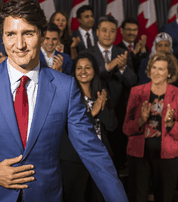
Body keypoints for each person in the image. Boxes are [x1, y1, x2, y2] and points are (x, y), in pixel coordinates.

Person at [0, 0, 128, 202]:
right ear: (3, 37)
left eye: (28, 33)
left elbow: (92, 152)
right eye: (11, 34)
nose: (20, 44)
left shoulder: (65, 87)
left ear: (42, 36)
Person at [60, 53, 118, 202]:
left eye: (87, 67)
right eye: (79, 68)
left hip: (99, 157)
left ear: (95, 70)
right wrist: (94, 111)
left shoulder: (102, 93)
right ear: (74, 71)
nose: (83, 71)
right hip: (75, 158)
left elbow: (112, 126)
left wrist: (102, 106)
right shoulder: (67, 94)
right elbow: (67, 127)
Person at [83, 15, 137, 170]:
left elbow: (133, 81)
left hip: (119, 110)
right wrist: (109, 67)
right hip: (95, 111)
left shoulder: (123, 52)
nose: (108, 34)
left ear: (116, 34)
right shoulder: (88, 53)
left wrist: (122, 68)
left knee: (118, 157)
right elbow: (85, 77)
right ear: (97, 32)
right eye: (104, 30)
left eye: (112, 31)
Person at [123, 52, 178, 202]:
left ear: (169, 73)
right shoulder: (136, 92)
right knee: (137, 198)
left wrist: (170, 124)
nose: (156, 72)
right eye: (154, 67)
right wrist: (141, 119)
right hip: (139, 157)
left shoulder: (177, 94)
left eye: (161, 69)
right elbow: (127, 129)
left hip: (167, 157)